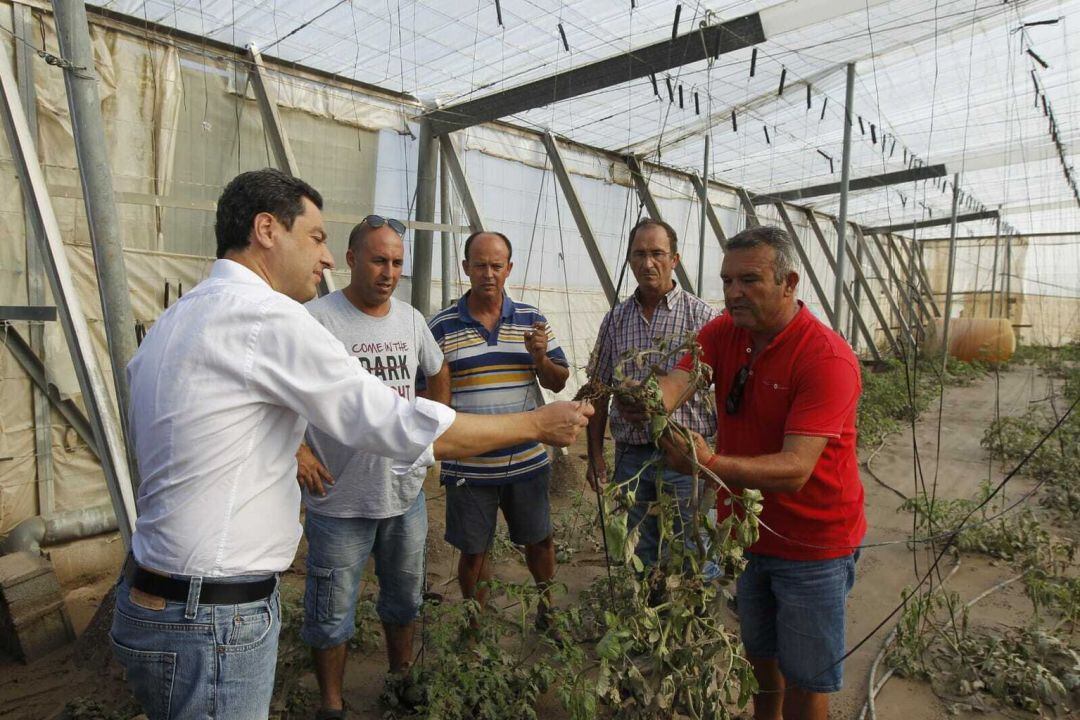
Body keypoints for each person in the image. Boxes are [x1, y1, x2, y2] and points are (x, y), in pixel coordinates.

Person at [111, 169, 592, 720]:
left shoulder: (182, 316)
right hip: (214, 618)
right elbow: (394, 424)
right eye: (315, 238)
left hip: (155, 600)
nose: (327, 260)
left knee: (401, 594)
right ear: (267, 229)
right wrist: (535, 425)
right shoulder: (269, 319)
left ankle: (395, 676)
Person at [625, 225, 865, 720]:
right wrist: (648, 401)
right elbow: (679, 380)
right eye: (727, 280)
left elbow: (797, 469)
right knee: (760, 659)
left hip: (812, 544)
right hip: (745, 533)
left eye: (749, 280)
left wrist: (706, 462)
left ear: (788, 282)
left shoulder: (825, 358)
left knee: (807, 678)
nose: (733, 293)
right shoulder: (724, 333)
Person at [293, 217, 448, 718]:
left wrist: (434, 438)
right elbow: (279, 393)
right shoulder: (316, 320)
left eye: (398, 263)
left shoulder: (409, 319)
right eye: (379, 260)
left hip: (403, 494)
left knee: (403, 600)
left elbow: (438, 371)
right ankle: (332, 704)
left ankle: (401, 680)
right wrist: (298, 450)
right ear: (353, 258)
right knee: (331, 612)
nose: (389, 272)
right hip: (338, 498)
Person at [427, 231, 569, 627]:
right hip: (469, 466)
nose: (488, 274)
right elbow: (432, 398)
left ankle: (548, 611)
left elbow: (558, 382)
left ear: (509, 268)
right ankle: (476, 624)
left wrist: (540, 358)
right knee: (474, 552)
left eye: (496, 265)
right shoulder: (439, 327)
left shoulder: (532, 320)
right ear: (465, 268)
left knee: (539, 540)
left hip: (525, 460)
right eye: (479, 265)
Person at [585, 218, 719, 572]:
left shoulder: (702, 317)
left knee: (692, 548)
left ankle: (698, 619)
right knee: (638, 548)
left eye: (657, 253)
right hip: (630, 456)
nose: (648, 263)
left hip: (684, 454)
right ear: (629, 260)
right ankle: (649, 614)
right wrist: (596, 453)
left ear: (674, 259)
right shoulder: (615, 320)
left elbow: (721, 389)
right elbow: (598, 390)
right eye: (639, 254)